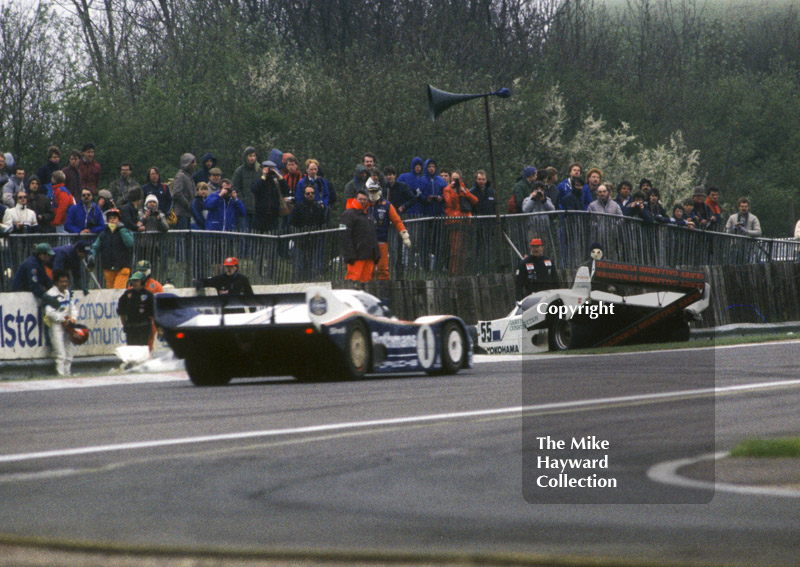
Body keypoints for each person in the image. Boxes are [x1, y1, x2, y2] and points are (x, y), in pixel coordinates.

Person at [367, 178, 411, 280]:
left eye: (375, 191)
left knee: (383, 269)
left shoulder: (386, 205)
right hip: (367, 241)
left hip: (381, 240)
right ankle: (369, 291)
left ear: (379, 191)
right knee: (369, 269)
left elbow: (397, 220)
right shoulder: (364, 204)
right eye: (371, 191)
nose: (373, 194)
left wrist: (404, 235)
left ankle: (384, 291)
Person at [341, 188, 380, 283]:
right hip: (356, 257)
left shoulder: (368, 215)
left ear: (367, 200)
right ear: (355, 199)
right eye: (360, 199)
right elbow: (344, 235)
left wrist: (376, 253)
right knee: (353, 281)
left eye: (364, 199)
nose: (362, 201)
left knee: (367, 283)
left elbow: (373, 235)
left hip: (369, 256)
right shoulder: (348, 214)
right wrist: (349, 255)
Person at [44, 269, 78, 376]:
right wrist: (63, 320)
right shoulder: (51, 294)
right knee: (61, 354)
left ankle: (67, 375)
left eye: (66, 281)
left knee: (69, 353)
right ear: (56, 282)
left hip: (68, 325)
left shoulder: (67, 293)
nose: (64, 284)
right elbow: (49, 313)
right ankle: (61, 377)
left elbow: (73, 308)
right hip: (56, 326)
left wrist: (72, 320)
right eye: (62, 282)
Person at [442, 170, 476, 276]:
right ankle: (454, 273)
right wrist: (454, 191)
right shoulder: (447, 190)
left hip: (465, 221)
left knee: (463, 250)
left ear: (460, 179)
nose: (454, 181)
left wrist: (464, 192)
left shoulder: (463, 188)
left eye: (456, 179)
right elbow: (449, 203)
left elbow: (475, 201)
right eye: (452, 179)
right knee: (455, 249)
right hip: (454, 222)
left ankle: (462, 272)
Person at [291, 185, 328, 281]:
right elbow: (293, 223)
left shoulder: (318, 207)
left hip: (314, 241)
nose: (310, 195)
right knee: (299, 265)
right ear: (304, 195)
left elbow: (322, 223)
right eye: (308, 193)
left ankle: (311, 281)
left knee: (313, 265)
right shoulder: (298, 207)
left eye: (312, 193)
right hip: (300, 240)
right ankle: (298, 283)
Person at [91, 208, 134, 288]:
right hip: (108, 267)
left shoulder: (126, 230)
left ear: (119, 220)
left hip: (123, 267)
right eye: (110, 218)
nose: (112, 220)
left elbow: (130, 243)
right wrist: (92, 255)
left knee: (118, 290)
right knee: (110, 292)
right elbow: (95, 247)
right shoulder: (103, 234)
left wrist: (122, 229)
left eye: (114, 218)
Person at [11, 243, 59, 309]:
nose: (50, 257)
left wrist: (59, 291)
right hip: (19, 294)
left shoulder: (39, 263)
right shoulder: (32, 264)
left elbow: (46, 280)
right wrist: (48, 299)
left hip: (26, 292)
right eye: (48, 255)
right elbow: (34, 286)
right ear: (41, 255)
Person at [117, 271, 155, 350]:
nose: (134, 283)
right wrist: (125, 324)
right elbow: (121, 311)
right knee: (132, 349)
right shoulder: (127, 294)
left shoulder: (148, 295)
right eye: (133, 281)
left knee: (143, 349)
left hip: (144, 327)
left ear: (143, 281)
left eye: (137, 281)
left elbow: (153, 313)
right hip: (131, 327)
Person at [251, 160, 290, 233]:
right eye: (268, 168)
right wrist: (264, 176)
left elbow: (286, 190)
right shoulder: (259, 180)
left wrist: (279, 177)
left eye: (271, 169)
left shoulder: (275, 181)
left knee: (272, 237)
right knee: (259, 238)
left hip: (273, 216)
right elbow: (254, 189)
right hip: (260, 215)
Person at [231, 146, 260, 232]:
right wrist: (242, 201)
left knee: (256, 234)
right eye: (250, 156)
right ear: (246, 157)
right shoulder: (239, 171)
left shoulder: (259, 171)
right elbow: (235, 188)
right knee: (244, 234)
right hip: (244, 209)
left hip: (256, 208)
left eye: (254, 156)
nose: (252, 158)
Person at [171, 153, 196, 230]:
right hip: (181, 213)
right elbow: (177, 193)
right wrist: (188, 204)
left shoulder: (189, 176)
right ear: (188, 163)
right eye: (193, 162)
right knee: (181, 238)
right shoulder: (181, 176)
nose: (195, 164)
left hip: (187, 214)